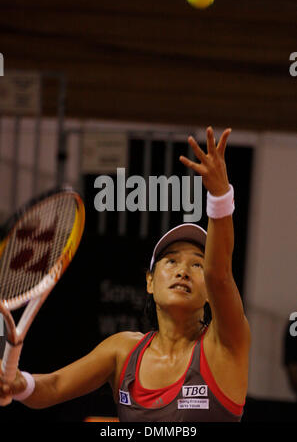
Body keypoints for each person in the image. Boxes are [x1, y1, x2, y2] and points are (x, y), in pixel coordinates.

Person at [0, 127, 251, 422]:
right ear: (149, 281)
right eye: (171, 261)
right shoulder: (123, 351)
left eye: (197, 264)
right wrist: (21, 385)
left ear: (208, 286)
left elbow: (220, 273)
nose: (183, 270)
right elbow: (53, 386)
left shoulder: (225, 344)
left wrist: (220, 196)